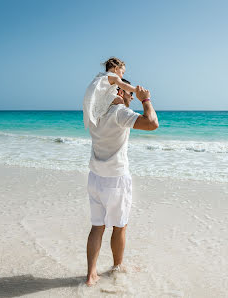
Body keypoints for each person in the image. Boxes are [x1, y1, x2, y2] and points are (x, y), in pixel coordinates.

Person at [83, 69, 159, 286]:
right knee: (119, 226)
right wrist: (146, 100)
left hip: (95, 178)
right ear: (118, 91)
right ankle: (117, 266)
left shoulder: (95, 113)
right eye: (128, 92)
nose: (131, 96)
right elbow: (152, 123)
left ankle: (91, 275)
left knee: (97, 226)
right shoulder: (119, 113)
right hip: (116, 179)